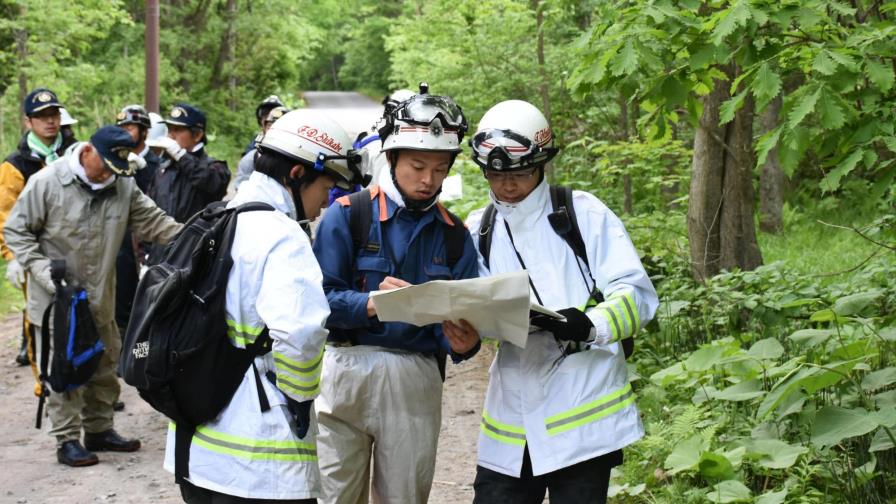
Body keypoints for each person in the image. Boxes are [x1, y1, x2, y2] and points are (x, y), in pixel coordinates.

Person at [465, 100, 659, 503]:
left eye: (518, 173)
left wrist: (590, 324)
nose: (507, 185)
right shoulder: (478, 228)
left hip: (583, 418)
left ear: (541, 164)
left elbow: (637, 295)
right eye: (496, 174)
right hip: (512, 420)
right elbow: (475, 308)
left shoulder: (583, 213)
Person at [165, 109, 365, 502]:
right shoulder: (283, 236)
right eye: (325, 186)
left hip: (196, 452)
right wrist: (298, 403)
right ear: (296, 175)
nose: (326, 201)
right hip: (259, 461)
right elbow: (302, 334)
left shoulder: (217, 219)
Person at [312, 87, 482, 504]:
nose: (429, 181)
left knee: (405, 497)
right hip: (344, 374)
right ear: (391, 158)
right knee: (333, 497)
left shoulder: (456, 236)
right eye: (418, 166)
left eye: (440, 169)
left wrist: (465, 343)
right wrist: (370, 303)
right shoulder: (348, 215)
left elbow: (462, 322)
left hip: (415, 378)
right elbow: (317, 305)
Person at [4, 125, 182, 467]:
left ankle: (99, 430)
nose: (111, 176)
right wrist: (42, 272)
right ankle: (67, 440)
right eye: (107, 167)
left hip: (101, 295)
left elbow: (154, 222)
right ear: (88, 152)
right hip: (58, 301)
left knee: (104, 362)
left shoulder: (122, 184)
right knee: (65, 368)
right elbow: (16, 230)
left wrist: (196, 235)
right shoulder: (47, 183)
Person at [0, 88, 77, 367]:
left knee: (83, 314)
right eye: (42, 116)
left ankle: (84, 383)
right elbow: (5, 215)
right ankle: (45, 383)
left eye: (54, 114)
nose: (50, 121)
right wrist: (13, 257)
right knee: (40, 319)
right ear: (28, 121)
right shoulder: (15, 165)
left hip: (76, 248)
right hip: (35, 254)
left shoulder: (75, 154)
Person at [146, 103, 230, 263]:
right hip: (160, 257)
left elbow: (212, 184)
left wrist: (181, 156)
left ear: (197, 135)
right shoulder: (164, 168)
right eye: (170, 129)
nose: (171, 135)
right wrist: (146, 255)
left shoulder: (215, 167)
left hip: (193, 257)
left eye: (177, 130)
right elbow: (149, 211)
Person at [114, 105, 162, 335]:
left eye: (130, 126)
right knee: (120, 293)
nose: (125, 131)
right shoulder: (114, 162)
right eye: (121, 127)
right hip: (120, 239)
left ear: (144, 131)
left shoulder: (156, 164)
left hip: (148, 238)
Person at [234, 105, 288, 189]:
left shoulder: (300, 162)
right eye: (270, 127)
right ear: (264, 129)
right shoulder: (250, 160)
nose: (275, 132)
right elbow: (241, 193)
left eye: (282, 128)